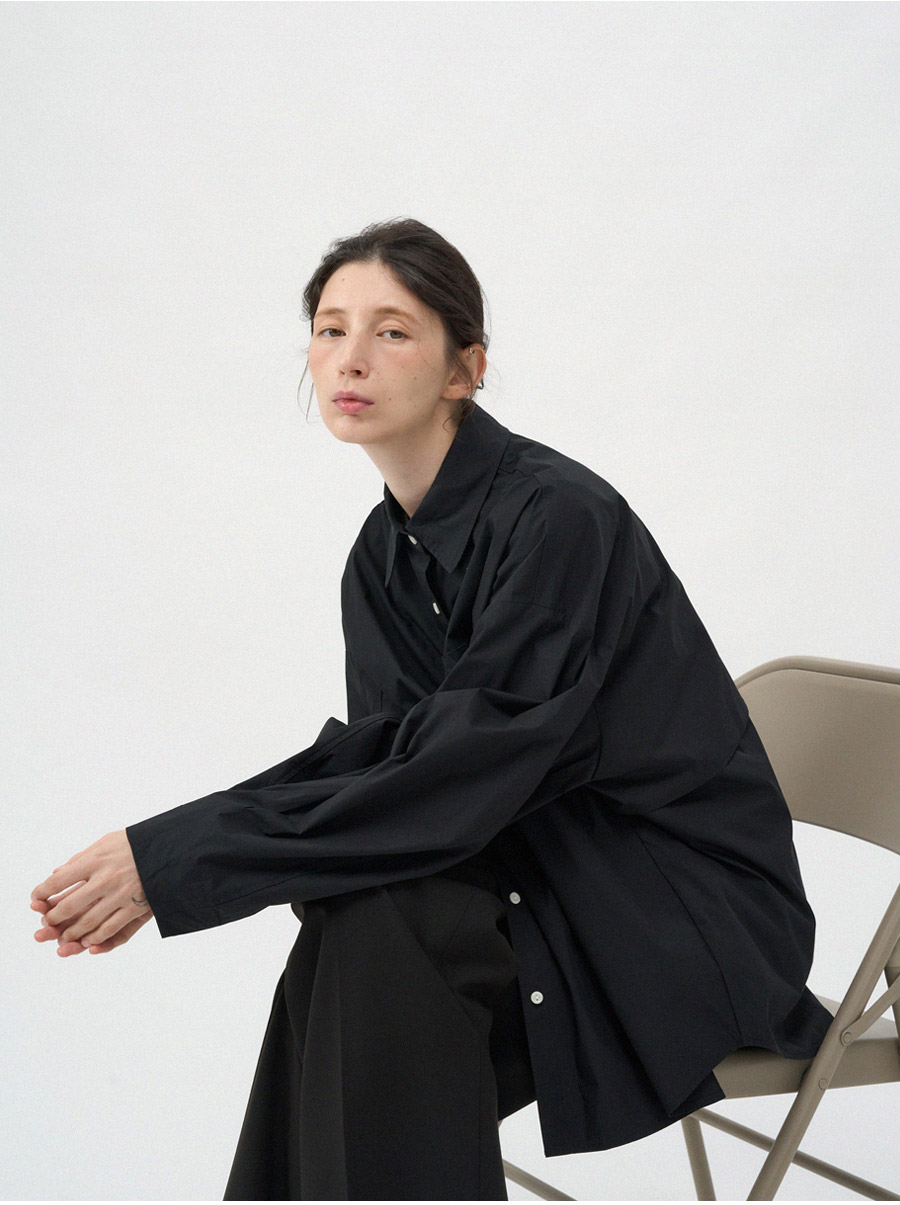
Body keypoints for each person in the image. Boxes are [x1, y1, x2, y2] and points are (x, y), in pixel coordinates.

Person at [31, 217, 834, 1201]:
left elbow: (449, 780)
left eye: (392, 331)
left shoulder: (559, 519)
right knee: (367, 922)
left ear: (466, 369)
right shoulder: (380, 564)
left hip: (678, 919)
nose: (350, 358)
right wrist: (176, 855)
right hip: (542, 882)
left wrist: (184, 856)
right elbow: (395, 787)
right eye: (330, 329)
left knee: (377, 939)